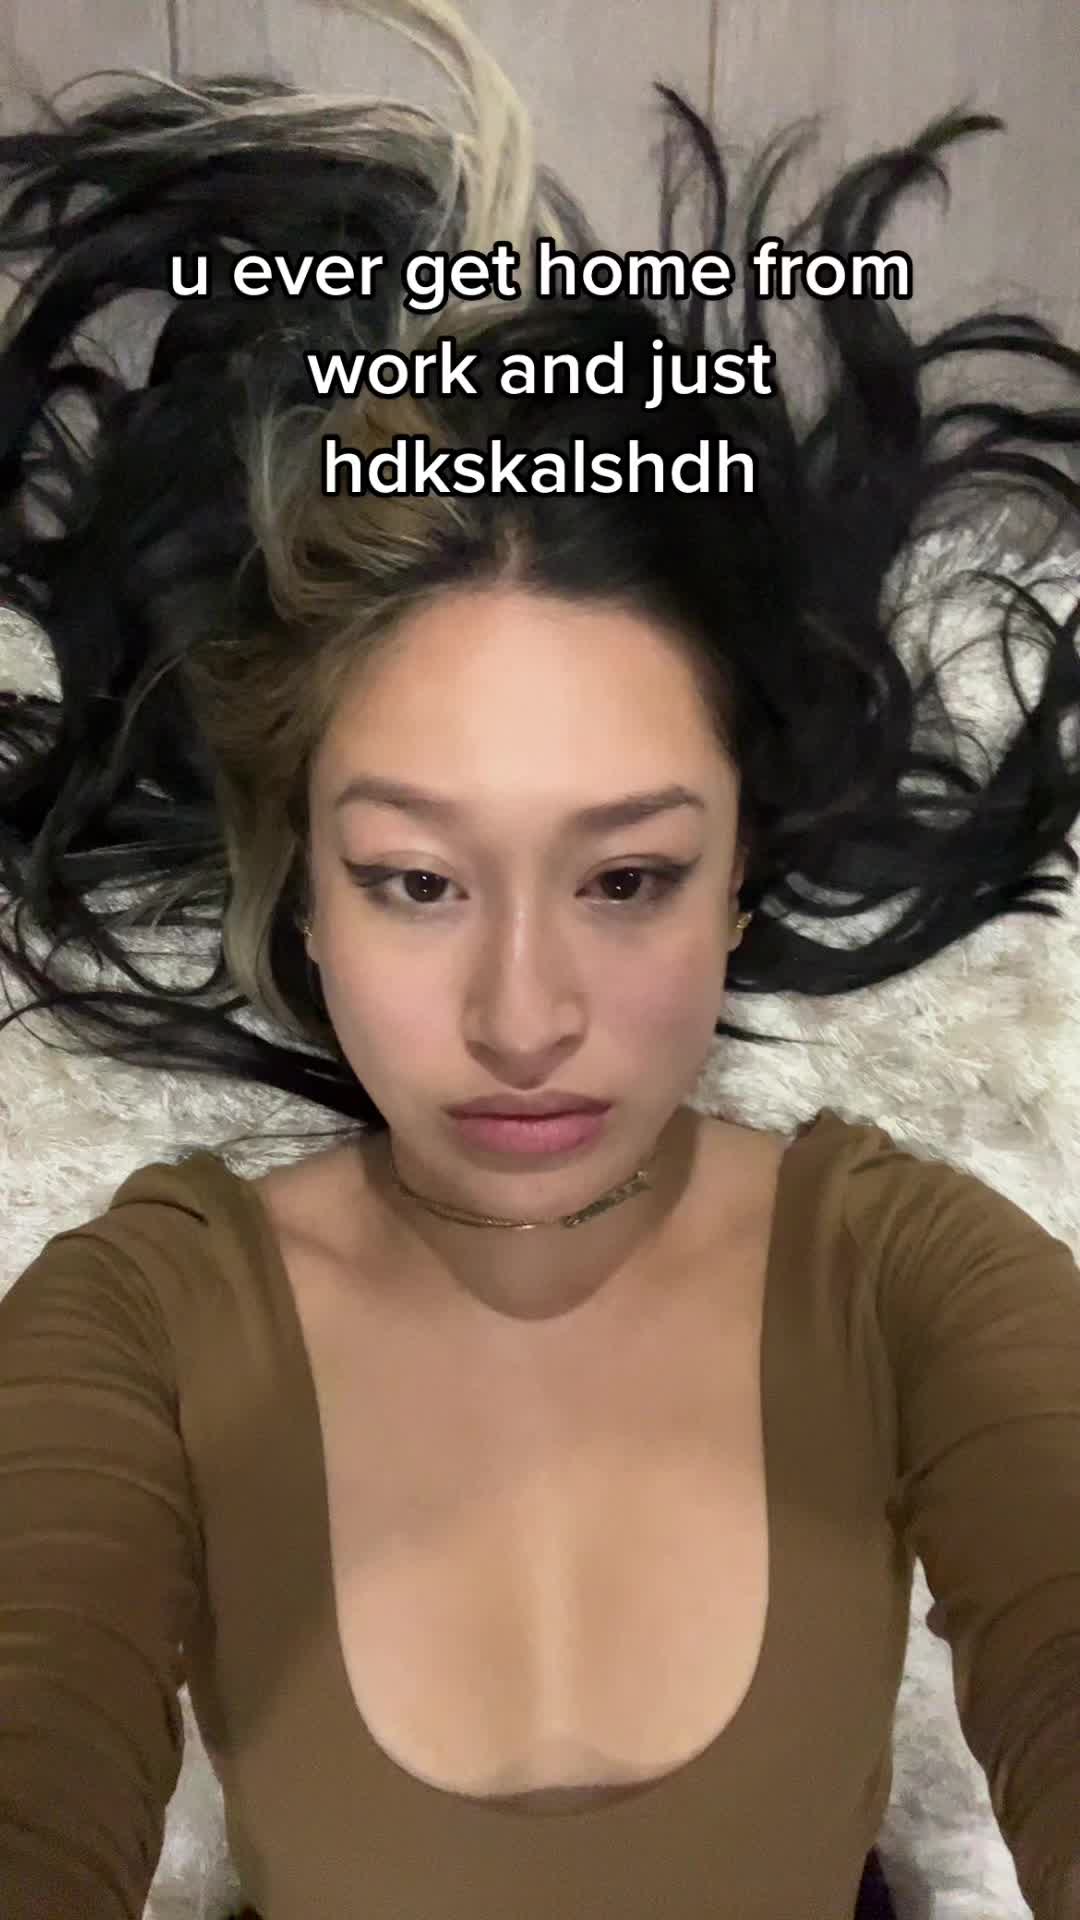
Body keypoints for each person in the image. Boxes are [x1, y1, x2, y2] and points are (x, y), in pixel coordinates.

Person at [0, 1, 1078, 1915]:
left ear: (739, 877)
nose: (522, 1019)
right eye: (419, 882)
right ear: (304, 893)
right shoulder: (142, 1331)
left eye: (628, 876)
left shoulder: (907, 1284)